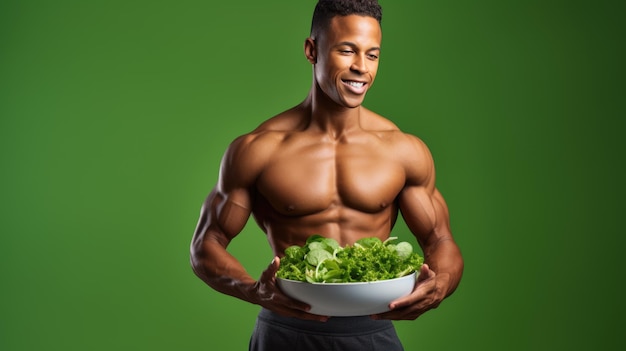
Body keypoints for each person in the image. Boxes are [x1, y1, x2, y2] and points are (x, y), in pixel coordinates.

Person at [190, 0, 464, 349]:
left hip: (370, 332)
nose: (360, 68)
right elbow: (206, 244)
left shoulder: (403, 150)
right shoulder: (259, 149)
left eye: (372, 55)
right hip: (284, 332)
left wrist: (440, 284)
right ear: (312, 50)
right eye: (347, 50)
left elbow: (440, 240)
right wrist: (253, 291)